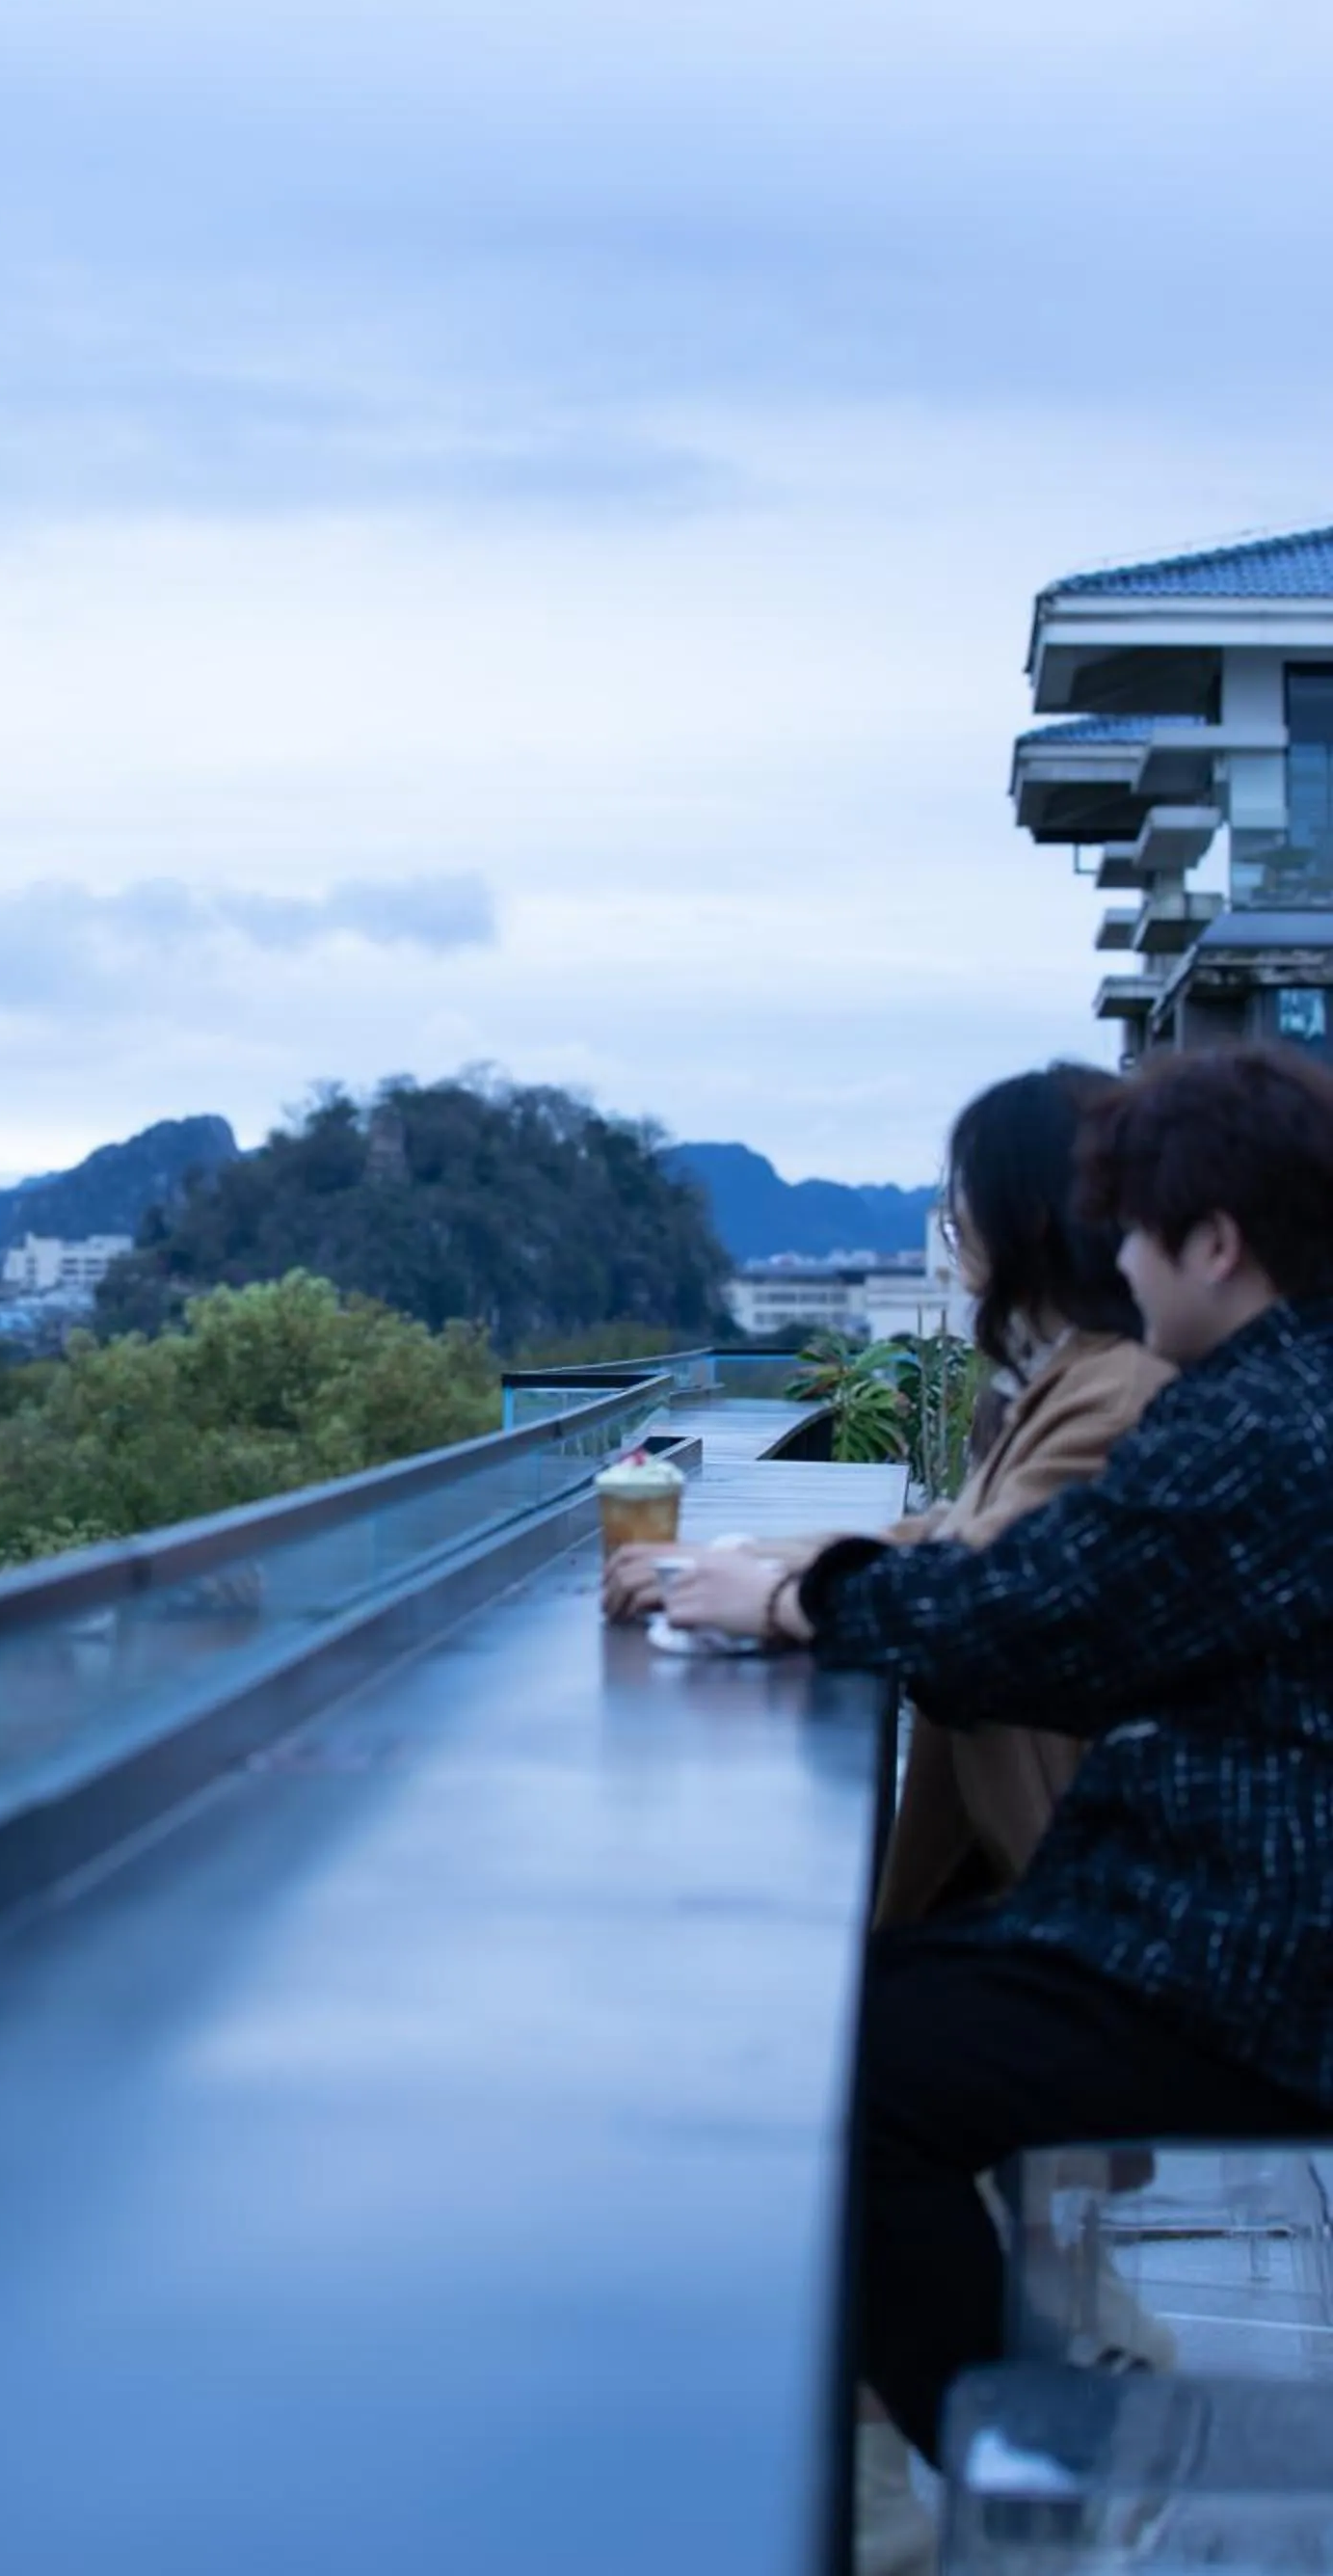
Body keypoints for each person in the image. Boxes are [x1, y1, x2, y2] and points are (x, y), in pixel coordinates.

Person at [633, 1045, 1333, 2471]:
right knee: (868, 2030)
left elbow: (1035, 1613)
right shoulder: (1277, 1394)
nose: (1121, 1264)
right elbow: (1058, 1583)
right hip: (1230, 1915)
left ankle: (1050, 2472)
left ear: (1214, 1242)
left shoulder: (1265, 1421)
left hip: (1253, 1957)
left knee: (841, 2073)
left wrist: (787, 1596)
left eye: (1139, 1231)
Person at [609, 1063, 1175, 1926]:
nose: (953, 1234)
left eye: (961, 1208)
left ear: (1024, 1218)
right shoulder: (1059, 1376)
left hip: (1073, 1896)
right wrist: (738, 1557)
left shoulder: (1117, 1391)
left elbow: (976, 1581)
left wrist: (773, 1596)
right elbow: (944, 1535)